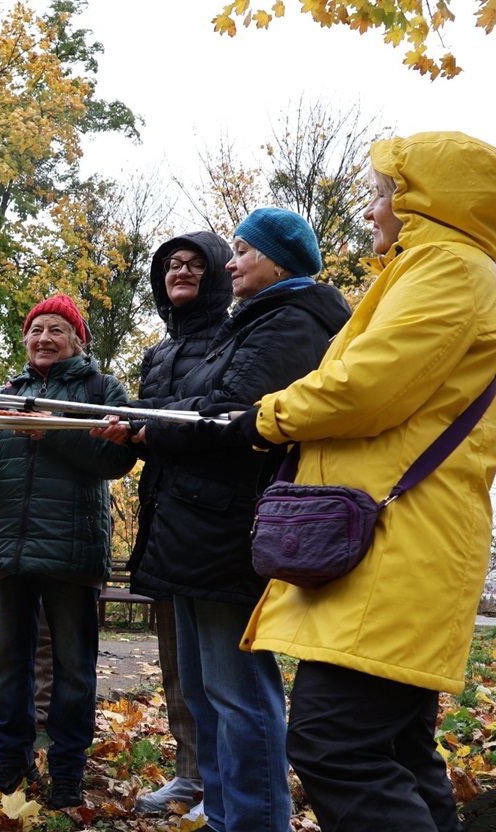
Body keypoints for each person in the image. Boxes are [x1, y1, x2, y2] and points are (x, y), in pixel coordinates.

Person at [231, 132, 496, 832]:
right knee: (394, 747)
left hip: (399, 548)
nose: (371, 210)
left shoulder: (445, 270)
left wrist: (266, 418)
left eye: (380, 192)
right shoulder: (431, 268)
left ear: (423, 199)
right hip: (400, 543)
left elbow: (363, 388)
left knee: (332, 743)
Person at [101, 208, 351, 832]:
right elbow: (198, 407)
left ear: (280, 260)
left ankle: (256, 820)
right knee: (210, 690)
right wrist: (149, 421)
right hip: (191, 525)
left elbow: (227, 413)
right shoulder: (252, 323)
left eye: (243, 251)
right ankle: (224, 814)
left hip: (226, 527)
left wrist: (147, 422)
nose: (232, 263)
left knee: (239, 692)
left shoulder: (292, 321)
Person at [0, 294, 136, 810]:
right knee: (9, 663)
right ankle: (10, 763)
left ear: (77, 340)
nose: (44, 339)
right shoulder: (7, 393)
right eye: (36, 330)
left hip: (71, 549)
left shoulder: (101, 390)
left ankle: (66, 773)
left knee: (73, 667)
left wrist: (52, 432)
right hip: (9, 543)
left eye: (57, 329)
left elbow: (115, 461)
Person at [121, 231, 235, 816]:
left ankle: (223, 789)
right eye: (171, 265)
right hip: (164, 518)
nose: (180, 272)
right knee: (180, 671)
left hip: (212, 525)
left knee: (221, 675)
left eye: (193, 264)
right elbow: (149, 430)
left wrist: (150, 429)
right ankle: (190, 774)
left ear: (216, 272)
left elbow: (215, 424)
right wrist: (126, 431)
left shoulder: (231, 338)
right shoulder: (159, 352)